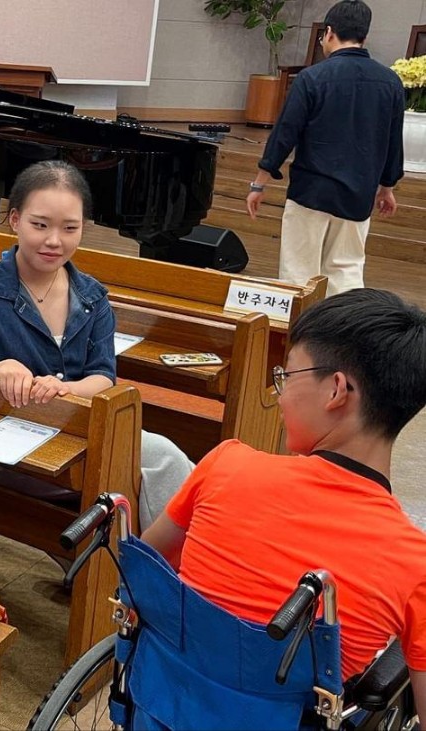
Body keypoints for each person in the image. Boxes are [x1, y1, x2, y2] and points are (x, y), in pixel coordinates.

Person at [142, 289, 426, 709]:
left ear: (336, 391)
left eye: (288, 376)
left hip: (164, 701)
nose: (280, 393)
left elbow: (147, 567)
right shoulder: (413, 561)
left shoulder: (225, 464)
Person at [0, 160, 193, 529]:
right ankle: (157, 560)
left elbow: (103, 377)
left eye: (69, 228)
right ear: (15, 220)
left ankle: (158, 558)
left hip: (83, 432)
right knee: (156, 465)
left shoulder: (92, 296)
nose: (54, 241)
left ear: (83, 229)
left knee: (172, 466)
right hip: (10, 446)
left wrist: (66, 390)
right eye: (40, 225)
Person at [246, 0, 404, 295]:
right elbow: (393, 140)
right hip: (358, 195)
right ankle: (344, 326)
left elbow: (284, 134)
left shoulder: (312, 77)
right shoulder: (391, 82)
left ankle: (301, 326)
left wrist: (259, 183)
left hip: (312, 191)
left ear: (329, 32)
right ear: (364, 36)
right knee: (347, 274)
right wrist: (387, 187)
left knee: (299, 274)